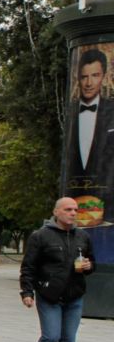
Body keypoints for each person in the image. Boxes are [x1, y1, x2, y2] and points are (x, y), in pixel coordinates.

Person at [20, 197, 95, 342]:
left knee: (68, 341)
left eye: (75, 210)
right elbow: (28, 267)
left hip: (74, 295)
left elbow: (91, 262)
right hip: (49, 294)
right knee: (51, 336)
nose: (72, 213)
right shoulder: (41, 236)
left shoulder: (83, 236)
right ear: (56, 212)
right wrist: (27, 292)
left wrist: (89, 266)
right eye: (68, 209)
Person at [66, 48, 114, 222]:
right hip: (74, 207)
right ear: (77, 77)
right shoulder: (69, 112)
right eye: (84, 76)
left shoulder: (112, 110)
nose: (89, 83)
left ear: (103, 76)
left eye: (95, 75)